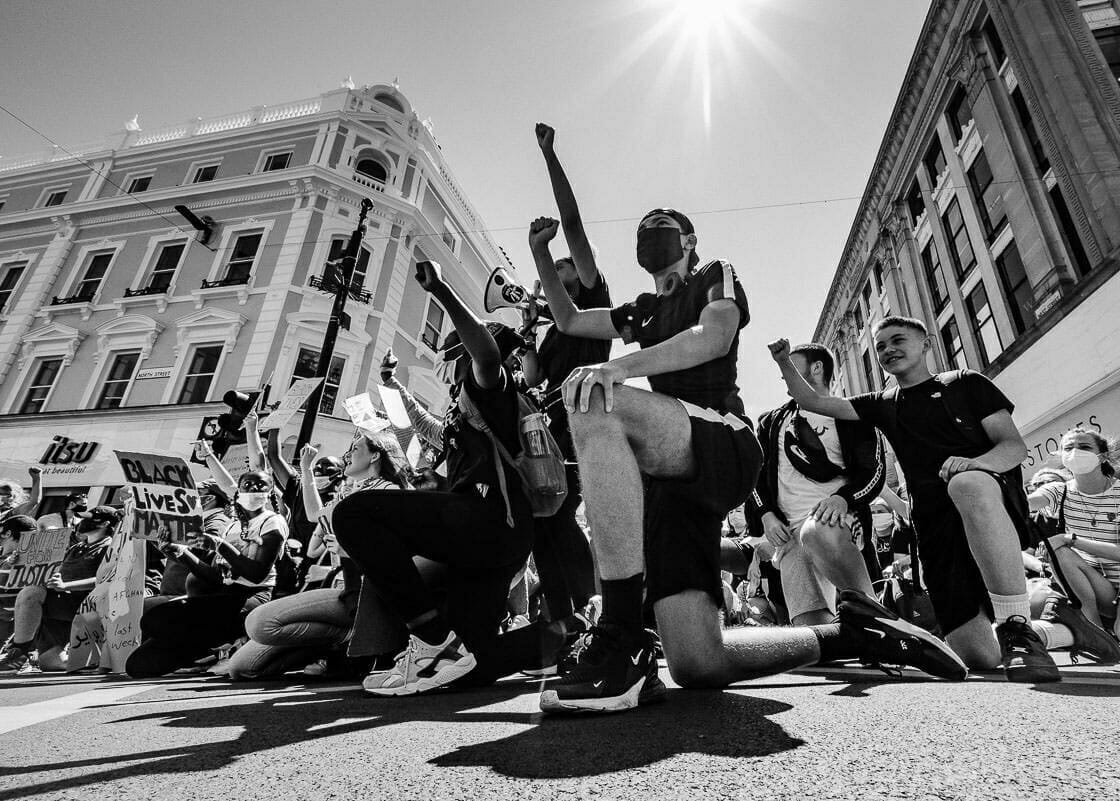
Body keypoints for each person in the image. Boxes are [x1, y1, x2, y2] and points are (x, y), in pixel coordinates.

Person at [530, 213, 965, 714]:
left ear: (688, 241)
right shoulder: (643, 310)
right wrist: (541, 251)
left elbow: (712, 336)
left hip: (721, 439)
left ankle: (620, 633)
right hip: (671, 477)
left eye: (663, 223)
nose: (649, 228)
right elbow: (568, 320)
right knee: (697, 664)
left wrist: (618, 365)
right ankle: (853, 633)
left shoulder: (715, 272)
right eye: (643, 226)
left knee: (594, 398)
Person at [769, 316, 1060, 683]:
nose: (889, 350)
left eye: (897, 340)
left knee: (965, 483)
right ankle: (1059, 627)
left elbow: (1013, 447)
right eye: (880, 347)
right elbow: (812, 399)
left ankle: (1017, 625)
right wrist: (783, 362)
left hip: (987, 500)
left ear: (926, 343)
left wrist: (976, 465)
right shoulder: (883, 403)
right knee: (979, 656)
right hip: (935, 527)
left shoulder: (966, 383)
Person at [333, 260, 566, 696]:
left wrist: (440, 290)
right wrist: (394, 387)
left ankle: (430, 638)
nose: (443, 368)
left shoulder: (492, 392)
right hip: (494, 543)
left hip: (488, 521)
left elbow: (489, 356)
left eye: (448, 357)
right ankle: (565, 636)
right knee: (465, 667)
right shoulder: (466, 417)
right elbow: (427, 428)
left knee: (353, 514)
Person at [517, 122, 609, 646]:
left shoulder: (593, 303)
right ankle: (563, 614)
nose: (560, 266)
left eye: (564, 265)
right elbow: (532, 378)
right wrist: (529, 334)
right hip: (550, 426)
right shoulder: (553, 329)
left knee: (568, 510)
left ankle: (586, 609)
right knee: (546, 519)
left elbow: (573, 226)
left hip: (586, 420)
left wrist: (550, 156)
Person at [227, 432, 411, 680]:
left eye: (355, 449)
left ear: (375, 455)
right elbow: (315, 515)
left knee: (259, 622)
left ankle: (357, 638)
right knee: (242, 667)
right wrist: (306, 469)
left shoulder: (389, 492)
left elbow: (394, 550)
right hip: (343, 591)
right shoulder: (353, 491)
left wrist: (348, 548)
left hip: (366, 594)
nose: (348, 456)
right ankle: (342, 640)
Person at [749, 343, 885, 625]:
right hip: (788, 535)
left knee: (818, 530)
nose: (784, 377)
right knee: (813, 631)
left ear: (817, 367)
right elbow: (754, 475)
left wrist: (843, 499)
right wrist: (766, 515)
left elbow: (873, 473)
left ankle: (877, 619)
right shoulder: (771, 422)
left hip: (837, 524)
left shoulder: (852, 415)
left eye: (791, 365)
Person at [125, 471, 288, 678]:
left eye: (261, 485)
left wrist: (220, 545)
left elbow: (256, 574)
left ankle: (227, 645)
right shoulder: (232, 526)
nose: (254, 489)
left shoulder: (272, 522)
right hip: (223, 595)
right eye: (248, 484)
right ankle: (205, 650)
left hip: (252, 596)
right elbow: (213, 577)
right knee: (138, 666)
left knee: (159, 619)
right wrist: (179, 552)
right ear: (239, 490)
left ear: (270, 491)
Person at [1026, 427, 1120, 662]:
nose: (1075, 453)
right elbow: (1027, 503)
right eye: (1068, 448)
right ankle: (1094, 628)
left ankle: (1110, 632)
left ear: (1104, 456)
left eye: (1085, 447)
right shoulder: (1060, 491)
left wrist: (1072, 539)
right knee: (1057, 550)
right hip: (1097, 589)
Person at [0, 506, 119, 673]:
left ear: (105, 523)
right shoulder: (76, 547)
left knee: (31, 593)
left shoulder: (110, 547)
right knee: (49, 663)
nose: (82, 522)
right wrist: (16, 563)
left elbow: (108, 580)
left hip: (86, 604)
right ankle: (89, 661)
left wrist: (65, 586)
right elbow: (48, 571)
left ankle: (20, 651)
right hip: (60, 602)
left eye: (88, 519)